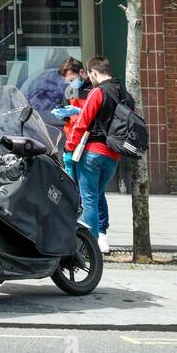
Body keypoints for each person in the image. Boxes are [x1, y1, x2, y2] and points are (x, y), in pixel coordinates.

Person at [65, 55, 130, 255]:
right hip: (113, 156)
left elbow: (83, 122)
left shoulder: (97, 92)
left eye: (90, 75)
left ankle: (87, 246)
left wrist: (69, 146)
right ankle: (97, 239)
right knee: (95, 195)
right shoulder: (124, 92)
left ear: (93, 72)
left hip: (93, 152)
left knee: (89, 200)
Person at [56, 57, 110, 252]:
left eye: (71, 78)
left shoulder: (94, 90)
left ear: (82, 73)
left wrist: (77, 111)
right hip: (73, 143)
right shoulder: (70, 91)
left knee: (93, 194)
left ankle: (100, 233)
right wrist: (62, 113)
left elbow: (94, 115)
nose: (70, 83)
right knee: (77, 191)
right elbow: (68, 114)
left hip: (87, 144)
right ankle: (79, 231)